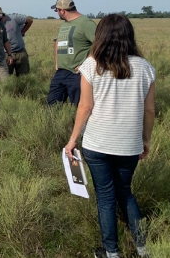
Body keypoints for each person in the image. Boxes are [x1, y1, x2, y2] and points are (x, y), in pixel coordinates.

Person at [64, 14, 155, 258]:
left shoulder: (91, 65)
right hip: (129, 144)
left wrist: (73, 140)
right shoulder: (145, 67)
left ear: (100, 36)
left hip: (97, 143)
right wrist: (145, 141)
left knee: (105, 197)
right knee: (125, 192)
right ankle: (143, 249)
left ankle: (111, 252)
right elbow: (149, 110)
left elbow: (85, 107)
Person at [47, 0, 97, 106]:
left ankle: (77, 123)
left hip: (77, 73)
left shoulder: (86, 23)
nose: (57, 13)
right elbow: (58, 41)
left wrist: (87, 64)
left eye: (57, 10)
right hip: (61, 71)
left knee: (79, 106)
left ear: (62, 11)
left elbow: (100, 44)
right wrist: (57, 63)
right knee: (52, 105)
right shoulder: (65, 23)